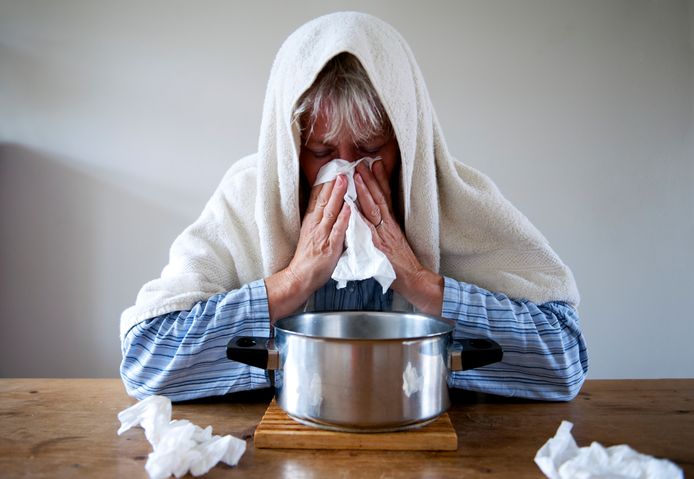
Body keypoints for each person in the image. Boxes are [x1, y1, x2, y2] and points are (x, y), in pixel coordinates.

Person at [120, 12, 587, 402]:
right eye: (322, 153)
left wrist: (424, 285)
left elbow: (564, 361)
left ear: (406, 140)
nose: (346, 175)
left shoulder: (453, 198)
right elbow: (145, 361)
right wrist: (290, 283)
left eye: (370, 148)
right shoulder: (248, 198)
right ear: (289, 149)